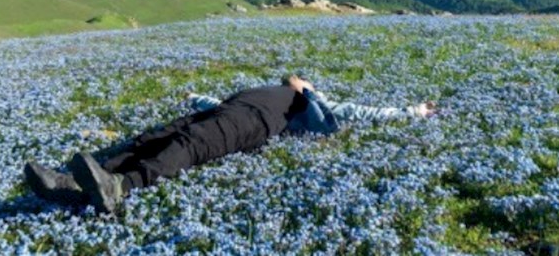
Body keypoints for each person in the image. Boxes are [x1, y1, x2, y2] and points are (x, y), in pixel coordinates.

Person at [24, 74, 435, 213]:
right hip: (224, 111)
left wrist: (414, 112)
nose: (294, 79)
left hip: (251, 125)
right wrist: (197, 99)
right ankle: (75, 184)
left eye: (302, 79)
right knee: (150, 138)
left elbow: (354, 116)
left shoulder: (311, 105)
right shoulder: (270, 88)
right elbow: (223, 101)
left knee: (190, 146)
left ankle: (119, 188)